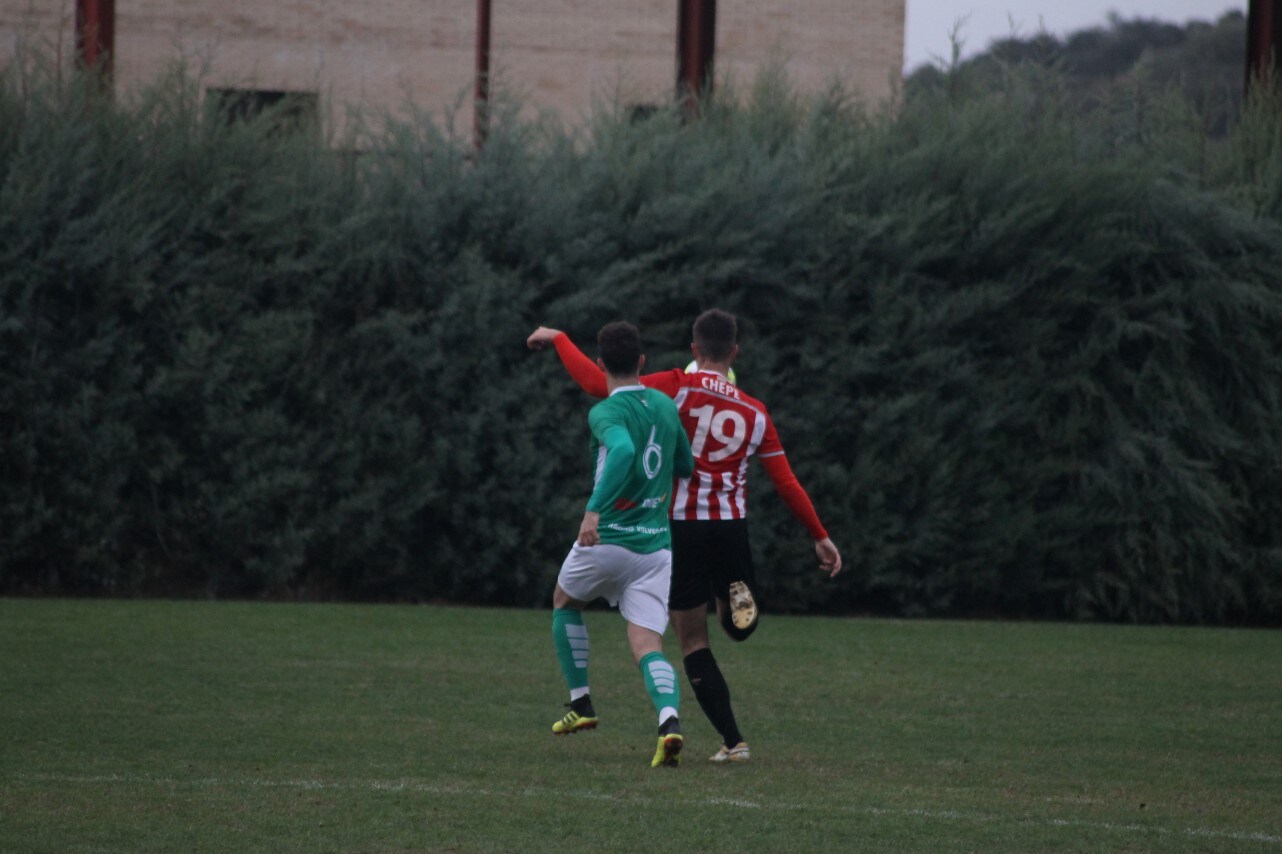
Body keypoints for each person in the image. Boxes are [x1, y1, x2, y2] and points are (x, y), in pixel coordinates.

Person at [528, 308, 841, 763]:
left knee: (692, 643)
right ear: (734, 352)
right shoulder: (755, 410)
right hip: (731, 527)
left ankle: (734, 742)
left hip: (680, 528)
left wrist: (559, 339)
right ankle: (732, 602)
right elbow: (786, 481)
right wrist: (820, 535)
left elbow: (602, 386)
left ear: (694, 350)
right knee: (733, 612)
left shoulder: (676, 386)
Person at [540, 320, 695, 769]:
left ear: (602, 364)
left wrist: (593, 510)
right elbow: (684, 464)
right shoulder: (666, 406)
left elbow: (624, 451)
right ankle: (669, 722)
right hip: (655, 548)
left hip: (608, 537)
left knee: (564, 601)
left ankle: (581, 704)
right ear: (643, 362)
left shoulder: (604, 411)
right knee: (647, 644)